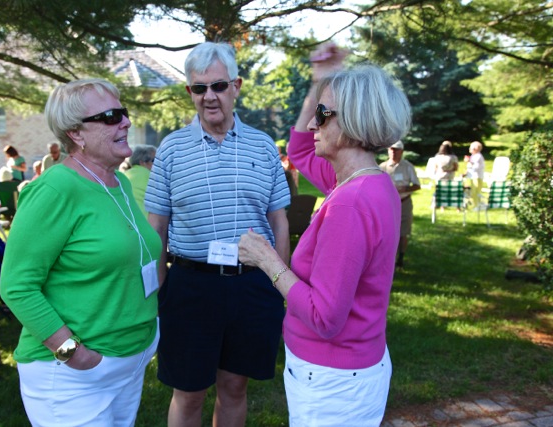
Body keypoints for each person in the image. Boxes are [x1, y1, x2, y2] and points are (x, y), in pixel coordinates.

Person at [238, 43, 411, 426]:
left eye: (323, 114)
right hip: (353, 371)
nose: (313, 123)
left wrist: (267, 260)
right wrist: (319, 84)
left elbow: (324, 317)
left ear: (352, 121)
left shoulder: (348, 204)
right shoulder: (371, 182)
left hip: (332, 384)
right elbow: (299, 149)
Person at [0, 78, 161, 427]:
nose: (126, 122)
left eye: (124, 112)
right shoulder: (55, 189)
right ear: (76, 133)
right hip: (75, 376)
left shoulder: (116, 183)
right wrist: (74, 354)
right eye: (110, 116)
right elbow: (17, 286)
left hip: (128, 362)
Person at [145, 42, 290, 427]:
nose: (210, 96)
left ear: (237, 86)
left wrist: (282, 282)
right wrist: (161, 289)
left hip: (251, 286)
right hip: (190, 287)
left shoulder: (263, 145)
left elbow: (279, 221)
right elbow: (156, 226)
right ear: (190, 92)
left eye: (219, 86)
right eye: (199, 88)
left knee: (234, 388)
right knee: (188, 393)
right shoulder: (171, 149)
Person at [380, 140, 421, 269]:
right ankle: (386, 259)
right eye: (391, 149)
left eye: (396, 149)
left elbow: (417, 185)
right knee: (386, 231)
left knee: (403, 231)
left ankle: (401, 258)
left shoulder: (408, 166)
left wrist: (405, 189)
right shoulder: (382, 167)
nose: (393, 152)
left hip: (404, 202)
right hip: (388, 204)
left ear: (401, 152)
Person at [123, 145, 156, 215]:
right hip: (146, 221)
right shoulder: (152, 176)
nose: (158, 163)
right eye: (154, 160)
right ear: (142, 162)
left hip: (125, 220)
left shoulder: (123, 175)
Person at [464, 140, 485, 210]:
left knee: (476, 192)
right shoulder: (474, 156)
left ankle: (478, 206)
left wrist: (469, 161)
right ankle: (476, 205)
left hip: (477, 176)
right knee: (473, 192)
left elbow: (476, 167)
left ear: (475, 149)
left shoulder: (478, 156)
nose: (469, 149)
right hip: (473, 176)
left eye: (471, 148)